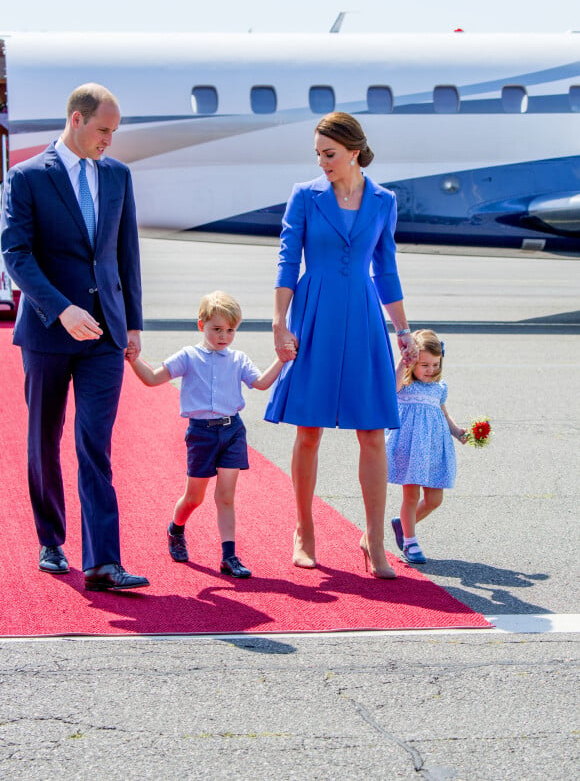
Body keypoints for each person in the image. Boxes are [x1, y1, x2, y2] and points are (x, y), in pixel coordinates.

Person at [0, 82, 149, 592]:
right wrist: (59, 309)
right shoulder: (26, 177)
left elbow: (125, 252)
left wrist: (132, 323)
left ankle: (104, 562)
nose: (110, 139)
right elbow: (15, 254)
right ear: (76, 119)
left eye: (115, 131)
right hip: (47, 331)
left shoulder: (118, 176)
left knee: (95, 444)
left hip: (105, 333)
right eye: (104, 130)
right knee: (44, 439)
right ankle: (50, 539)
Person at [265, 112, 418, 579]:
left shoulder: (383, 200)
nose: (323, 162)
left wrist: (404, 330)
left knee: (371, 431)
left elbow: (386, 269)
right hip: (314, 315)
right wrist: (278, 321)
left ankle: (373, 539)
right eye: (318, 155)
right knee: (308, 430)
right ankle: (304, 530)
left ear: (354, 151)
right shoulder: (305, 196)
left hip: (364, 317)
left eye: (329, 154)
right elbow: (288, 259)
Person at [127, 291, 285, 578]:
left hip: (233, 431)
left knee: (225, 496)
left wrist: (281, 360)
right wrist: (133, 359)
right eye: (216, 329)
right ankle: (176, 528)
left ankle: (229, 556)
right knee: (194, 497)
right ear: (201, 325)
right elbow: (153, 379)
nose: (223, 336)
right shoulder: (188, 356)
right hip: (201, 434)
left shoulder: (238, 359)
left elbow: (260, 383)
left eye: (230, 330)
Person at [386, 329, 467, 564]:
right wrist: (404, 361)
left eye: (435, 364)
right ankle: (410, 542)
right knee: (410, 496)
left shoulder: (439, 388)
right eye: (425, 365)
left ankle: (402, 524)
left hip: (432, 449)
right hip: (410, 447)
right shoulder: (405, 384)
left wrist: (457, 432)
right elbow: (392, 387)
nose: (431, 370)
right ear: (413, 363)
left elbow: (444, 414)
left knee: (434, 500)